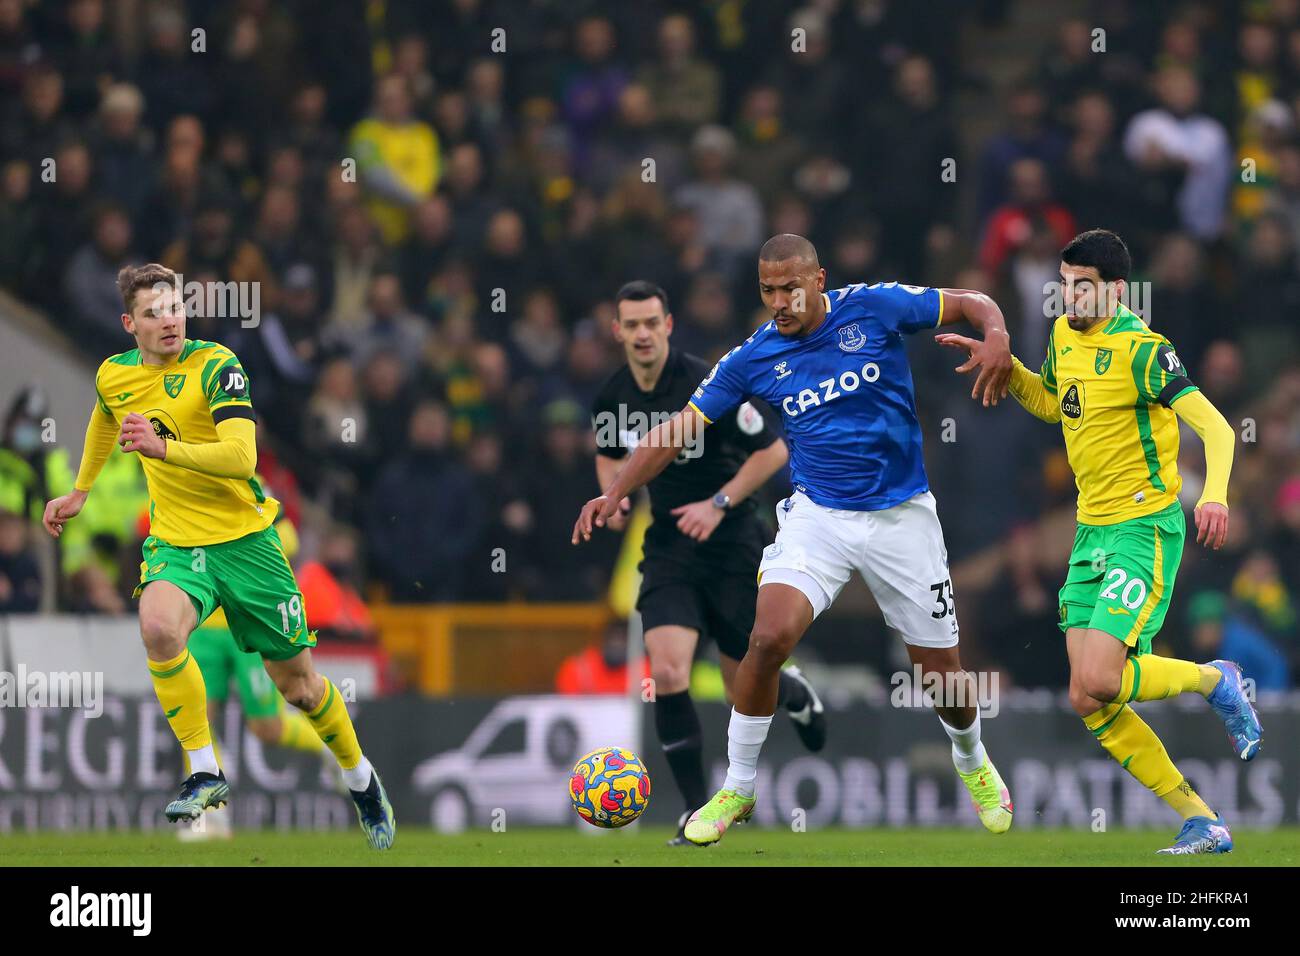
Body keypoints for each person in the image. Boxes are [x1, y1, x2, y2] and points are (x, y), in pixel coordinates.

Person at [575, 234, 1017, 845]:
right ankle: (738, 785)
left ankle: (972, 760)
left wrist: (997, 336)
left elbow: (972, 301)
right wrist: (616, 489)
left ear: (819, 279)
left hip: (902, 516)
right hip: (818, 518)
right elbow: (674, 430)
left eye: (790, 287)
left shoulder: (876, 305)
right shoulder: (752, 357)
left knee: (941, 677)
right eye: (767, 290)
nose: (779, 301)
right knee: (767, 637)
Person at [41, 263, 395, 850]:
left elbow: (241, 457)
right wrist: (80, 490)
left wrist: (165, 447)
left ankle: (360, 777)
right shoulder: (115, 375)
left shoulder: (217, 366)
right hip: (179, 544)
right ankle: (205, 771)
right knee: (157, 628)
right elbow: (106, 419)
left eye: (174, 307)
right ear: (131, 324)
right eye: (153, 313)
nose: (168, 320)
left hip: (247, 545)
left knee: (300, 687)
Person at [938, 228, 1258, 855]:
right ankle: (1202, 820)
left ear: (1115, 289)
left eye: (1082, 286)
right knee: (1086, 694)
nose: (1070, 297)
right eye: (1064, 284)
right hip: (1091, 535)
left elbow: (1218, 430)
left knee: (1104, 678)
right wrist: (1008, 369)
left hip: (1144, 529)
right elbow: (1059, 406)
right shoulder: (1062, 336)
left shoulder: (1144, 351)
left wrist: (1214, 494)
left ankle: (1214, 680)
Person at [590, 279, 825, 846]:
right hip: (669, 547)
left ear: (668, 325)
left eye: (653, 323)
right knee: (667, 670)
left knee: (740, 684)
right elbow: (609, 456)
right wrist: (614, 497)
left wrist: (719, 504)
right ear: (617, 331)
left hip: (732, 542)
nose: (643, 334)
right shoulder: (610, 398)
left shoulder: (707, 382)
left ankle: (796, 695)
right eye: (632, 325)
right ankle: (696, 811)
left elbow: (773, 449)